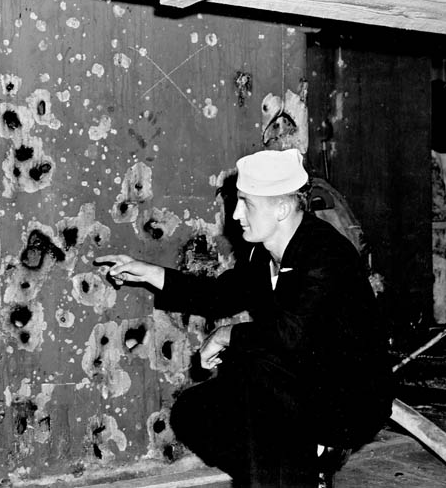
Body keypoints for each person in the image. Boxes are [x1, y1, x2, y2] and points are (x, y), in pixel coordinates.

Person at [95, 149, 394, 488]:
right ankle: (302, 470)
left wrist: (225, 336)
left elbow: (290, 335)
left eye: (246, 203)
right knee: (194, 412)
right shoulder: (260, 251)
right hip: (296, 380)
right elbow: (218, 295)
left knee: (257, 365)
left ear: (282, 208)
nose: (235, 214)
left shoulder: (327, 254)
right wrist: (147, 272)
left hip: (348, 396)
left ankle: (301, 465)